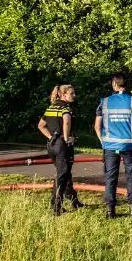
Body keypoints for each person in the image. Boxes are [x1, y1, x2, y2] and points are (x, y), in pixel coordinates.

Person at [94, 75, 132, 219]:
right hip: (131, 146)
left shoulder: (104, 102)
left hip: (110, 146)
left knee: (110, 177)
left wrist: (103, 142)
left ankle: (110, 211)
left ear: (114, 84)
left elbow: (97, 126)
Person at [37, 84, 83, 215]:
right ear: (63, 95)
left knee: (65, 172)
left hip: (51, 145)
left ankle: (74, 200)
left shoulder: (51, 108)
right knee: (62, 174)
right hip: (62, 145)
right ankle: (56, 205)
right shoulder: (66, 108)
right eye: (72, 93)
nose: (74, 96)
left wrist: (51, 137)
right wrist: (67, 138)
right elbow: (67, 121)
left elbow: (41, 126)